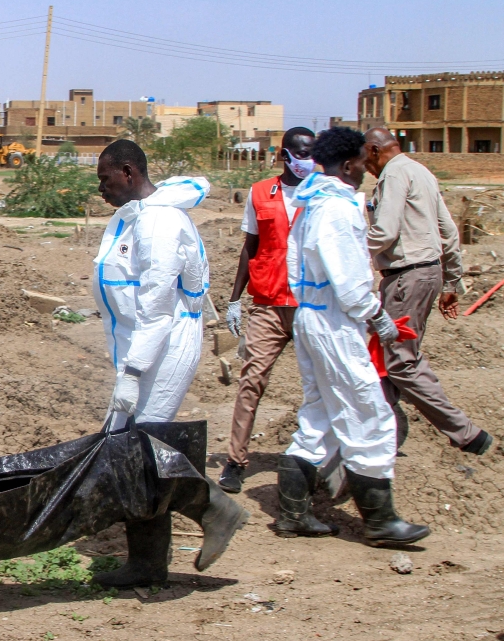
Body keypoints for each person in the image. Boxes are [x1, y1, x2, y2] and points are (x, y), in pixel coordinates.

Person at [278, 127, 429, 546]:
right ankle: (381, 522)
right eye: (363, 163)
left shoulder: (311, 203)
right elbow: (349, 281)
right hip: (334, 322)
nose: (366, 170)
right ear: (348, 165)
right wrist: (377, 317)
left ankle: (292, 512)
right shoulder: (337, 210)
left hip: (312, 315)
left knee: (319, 416)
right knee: (369, 415)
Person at [91, 139, 227, 587]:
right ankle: (154, 556)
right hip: (141, 346)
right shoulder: (136, 217)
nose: (101, 189)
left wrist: (132, 374)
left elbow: (157, 311)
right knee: (135, 447)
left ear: (128, 172)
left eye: (105, 179)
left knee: (138, 448)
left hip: (164, 345)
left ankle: (210, 514)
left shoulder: (160, 225)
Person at [363, 128, 493, 456]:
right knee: (388, 359)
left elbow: (385, 231)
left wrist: (347, 249)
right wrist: (451, 282)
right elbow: (448, 231)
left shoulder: (393, 176)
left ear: (375, 150)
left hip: (407, 277)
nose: (365, 167)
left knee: (400, 362)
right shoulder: (420, 171)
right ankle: (376, 437)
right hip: (427, 274)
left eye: (365, 159)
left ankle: (466, 433)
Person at [218, 127, 316, 493]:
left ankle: (323, 461)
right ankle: (235, 460)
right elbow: (250, 246)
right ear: (285, 154)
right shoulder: (262, 192)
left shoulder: (323, 192)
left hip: (311, 304)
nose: (307, 159)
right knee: (251, 380)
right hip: (270, 303)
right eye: (301, 153)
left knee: (321, 384)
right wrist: (234, 299)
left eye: (312, 152)